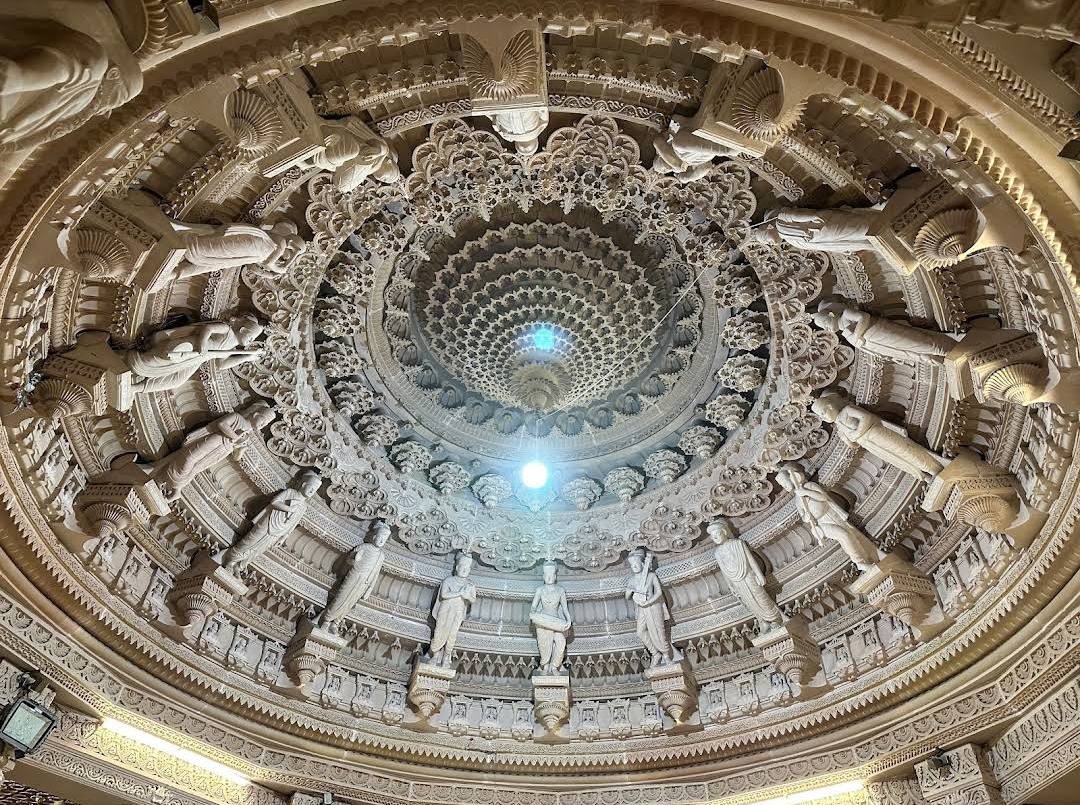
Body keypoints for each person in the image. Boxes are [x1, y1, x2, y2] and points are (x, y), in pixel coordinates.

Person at [428, 552, 477, 667]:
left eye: (467, 568)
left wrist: (467, 596)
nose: (464, 570)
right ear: (457, 568)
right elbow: (444, 595)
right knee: (439, 631)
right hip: (445, 610)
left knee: (452, 635)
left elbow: (473, 599)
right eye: (462, 568)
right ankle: (434, 656)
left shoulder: (470, 585)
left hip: (458, 612)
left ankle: (446, 657)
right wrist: (460, 593)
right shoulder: (448, 580)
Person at [530, 561, 571, 675]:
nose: (549, 577)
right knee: (544, 645)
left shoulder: (560, 590)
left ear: (555, 576)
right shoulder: (540, 589)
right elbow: (533, 606)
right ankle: (545, 665)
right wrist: (533, 612)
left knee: (561, 642)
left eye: (551, 575)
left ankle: (555, 666)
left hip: (556, 621)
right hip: (543, 621)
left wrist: (569, 620)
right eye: (547, 575)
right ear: (543, 576)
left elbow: (564, 608)